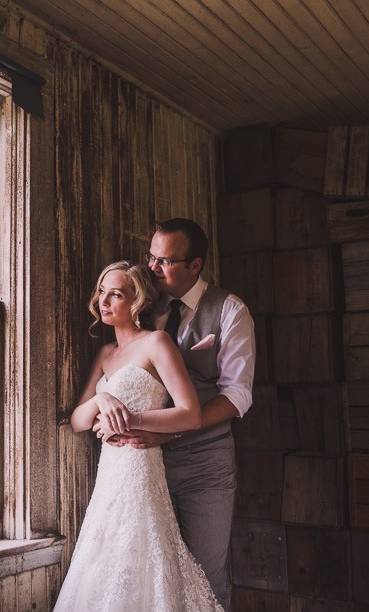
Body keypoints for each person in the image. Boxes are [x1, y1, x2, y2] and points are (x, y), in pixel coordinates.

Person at [99, 218, 255, 609]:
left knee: (205, 578)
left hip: (206, 468)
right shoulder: (141, 305)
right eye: (150, 257)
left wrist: (170, 433)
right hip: (145, 467)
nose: (151, 268)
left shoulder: (230, 310)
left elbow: (238, 394)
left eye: (164, 261)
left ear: (195, 265)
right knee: (152, 579)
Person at [54, 260, 223, 612]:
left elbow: (190, 415)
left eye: (116, 294)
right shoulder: (105, 354)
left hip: (142, 470)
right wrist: (101, 398)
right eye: (102, 291)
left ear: (139, 302)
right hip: (109, 477)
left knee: (144, 558)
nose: (104, 300)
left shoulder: (157, 343)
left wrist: (130, 419)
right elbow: (78, 421)